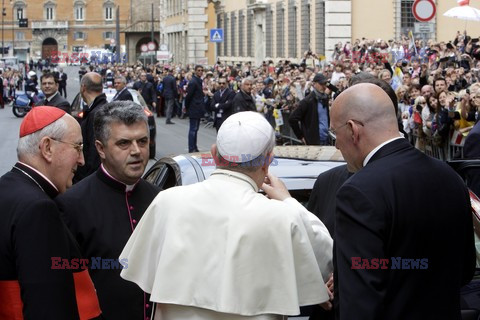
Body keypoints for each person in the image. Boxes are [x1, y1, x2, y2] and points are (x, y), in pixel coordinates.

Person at [119, 111, 334, 320]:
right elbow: (327, 259)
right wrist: (288, 201)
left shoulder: (167, 201)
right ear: (268, 160)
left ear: (214, 153)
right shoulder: (283, 215)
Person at [331, 83, 475, 320]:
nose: (336, 145)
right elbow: (465, 270)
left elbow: (359, 304)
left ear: (353, 129)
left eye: (335, 134)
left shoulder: (358, 192)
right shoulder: (450, 177)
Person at [56, 101, 160, 320]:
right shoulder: (71, 204)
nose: (136, 151)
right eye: (123, 143)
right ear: (101, 149)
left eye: (142, 141)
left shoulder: (160, 199)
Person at [0, 106, 101, 319]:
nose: (82, 160)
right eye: (78, 147)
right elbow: (48, 308)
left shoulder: (7, 187)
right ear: (47, 148)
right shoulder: (39, 209)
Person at [74, 72, 108, 182]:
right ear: (102, 88)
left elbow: (94, 155)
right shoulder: (100, 109)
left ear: (83, 88)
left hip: (90, 179)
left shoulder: (96, 113)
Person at [289, 73, 331, 145]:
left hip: (326, 139)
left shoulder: (325, 98)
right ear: (314, 84)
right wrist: (301, 136)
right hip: (313, 141)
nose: (324, 86)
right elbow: (292, 119)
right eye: (321, 84)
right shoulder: (307, 101)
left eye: (325, 84)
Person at [185, 65, 206, 152]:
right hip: (194, 107)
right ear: (195, 71)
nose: (200, 72)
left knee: (196, 128)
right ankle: (191, 148)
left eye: (201, 70)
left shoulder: (198, 80)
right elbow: (189, 96)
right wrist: (187, 107)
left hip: (198, 107)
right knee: (193, 129)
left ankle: (194, 146)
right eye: (198, 70)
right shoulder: (193, 82)